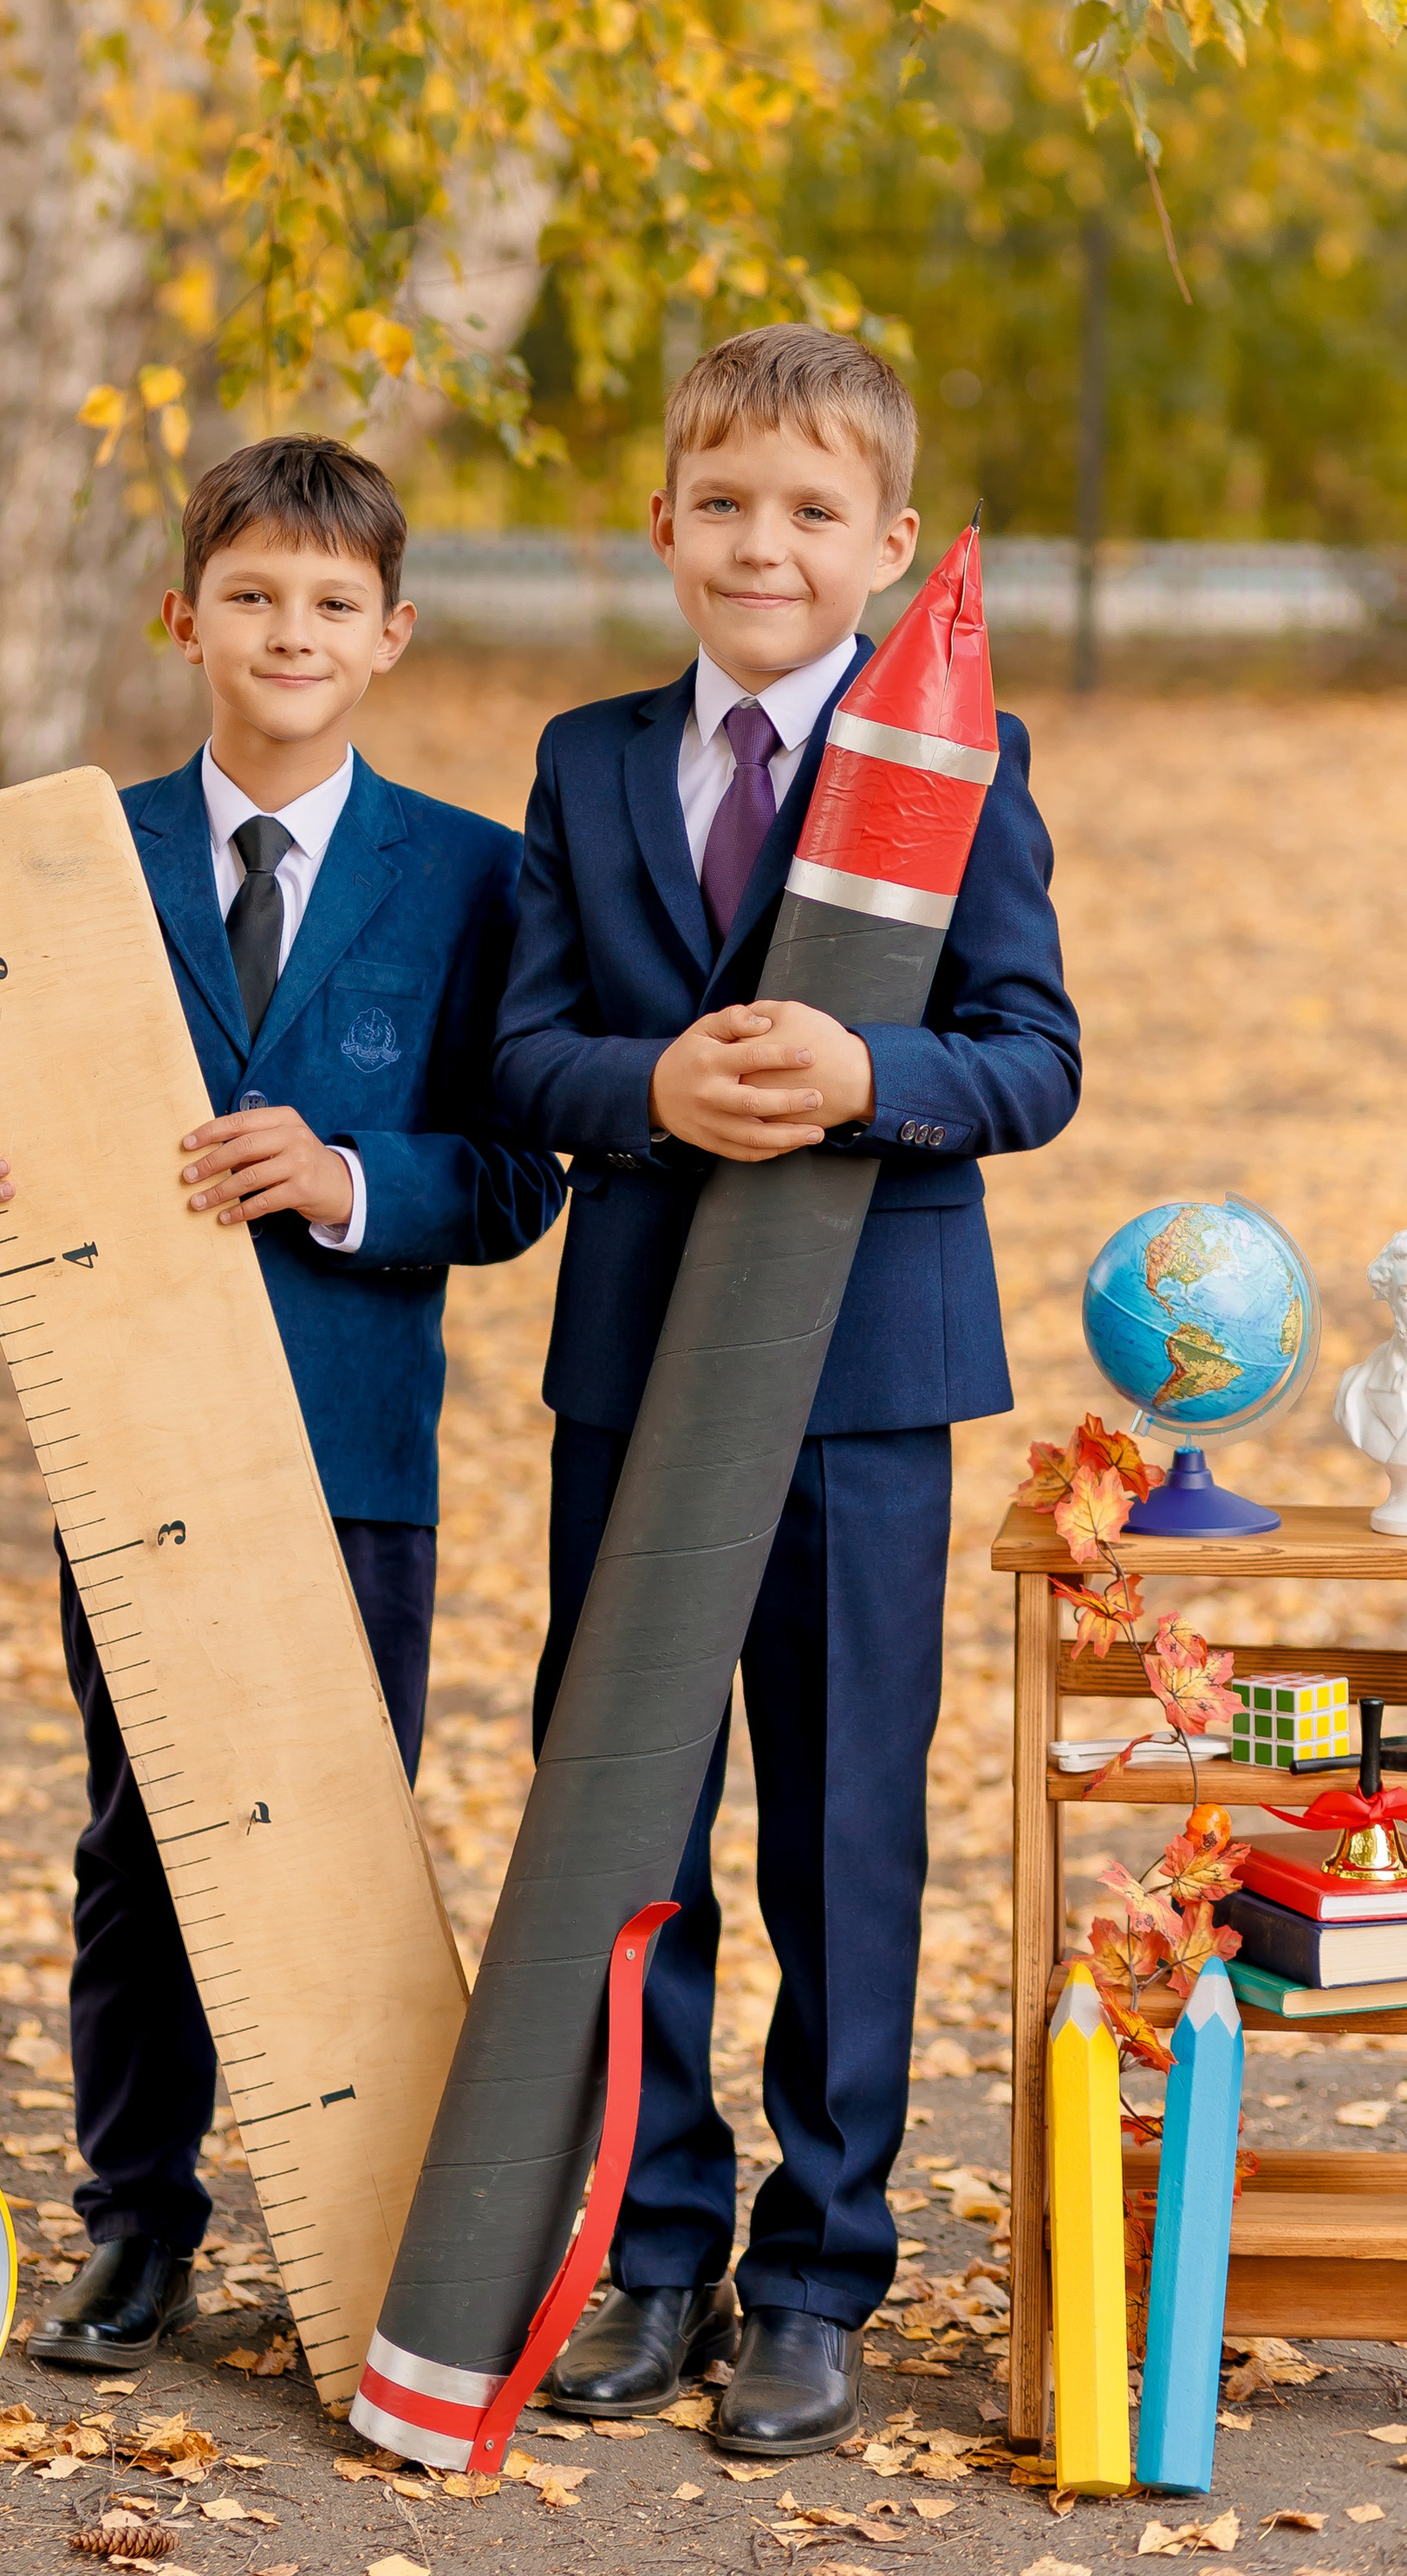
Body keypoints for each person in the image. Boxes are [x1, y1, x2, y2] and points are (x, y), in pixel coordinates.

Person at [0, 433, 566, 2372]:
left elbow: (514, 1177)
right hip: (128, 1435)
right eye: (252, 595)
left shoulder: (472, 878)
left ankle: (365, 2240)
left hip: (353, 1454)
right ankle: (138, 2224)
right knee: (138, 1845)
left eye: (332, 604)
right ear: (182, 616)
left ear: (391, 635)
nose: (291, 632)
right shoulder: (65, 862)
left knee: (339, 1837)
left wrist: (348, 1177)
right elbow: (13, 1152)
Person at [496, 326, 1079, 2452]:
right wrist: (647, 1088)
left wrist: (865, 1071)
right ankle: (649, 2247)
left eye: (811, 510)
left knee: (840, 1828)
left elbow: (1030, 1055)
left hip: (862, 1378)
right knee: (625, 1810)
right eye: (724, 502)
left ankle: (817, 2274)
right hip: (635, 1367)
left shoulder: (957, 760)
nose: (763, 543)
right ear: (661, 521)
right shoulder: (581, 763)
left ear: (886, 544)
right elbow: (519, 1058)